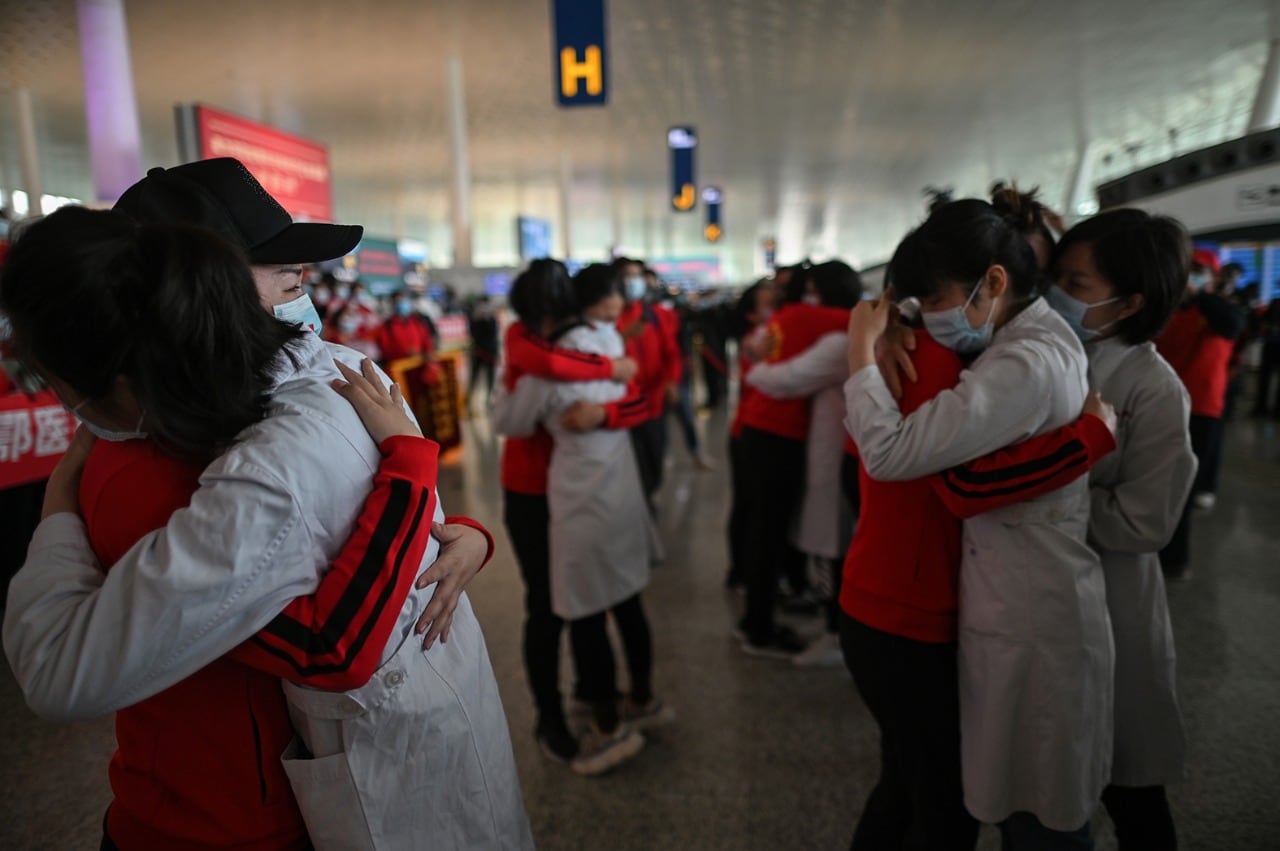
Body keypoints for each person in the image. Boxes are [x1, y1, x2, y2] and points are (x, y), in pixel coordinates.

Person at [4, 174, 531, 848]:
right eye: (274, 262)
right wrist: (408, 468)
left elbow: (364, 522)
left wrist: (461, 536)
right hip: (215, 817)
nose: (302, 277)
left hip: (279, 796)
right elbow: (330, 640)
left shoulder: (283, 395)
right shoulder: (185, 468)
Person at [845, 198, 1114, 847]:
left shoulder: (1018, 360)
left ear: (994, 281)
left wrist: (863, 346)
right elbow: (956, 479)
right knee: (950, 793)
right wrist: (1087, 439)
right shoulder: (984, 348)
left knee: (1023, 805)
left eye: (934, 299)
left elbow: (928, 469)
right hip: (950, 605)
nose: (931, 315)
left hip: (1021, 611)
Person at [1044, 208, 1195, 849]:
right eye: (1059, 278)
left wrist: (1048, 500)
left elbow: (1146, 519)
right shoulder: (1048, 353)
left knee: (1129, 788)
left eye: (1077, 287)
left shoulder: (1154, 389)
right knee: (1049, 774)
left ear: (1130, 301)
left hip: (1112, 602)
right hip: (1044, 595)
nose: (1058, 296)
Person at [496, 264, 673, 776]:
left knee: (587, 602)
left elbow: (637, 399)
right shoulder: (531, 344)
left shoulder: (591, 343)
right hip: (531, 490)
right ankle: (551, 718)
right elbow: (533, 385)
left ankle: (596, 701)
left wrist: (606, 408)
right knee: (552, 608)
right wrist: (607, 372)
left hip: (571, 491)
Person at [745, 261, 862, 667]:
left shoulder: (839, 334)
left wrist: (756, 370)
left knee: (830, 541)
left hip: (829, 450)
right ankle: (826, 624)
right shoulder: (852, 327)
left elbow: (787, 375)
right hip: (825, 447)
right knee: (823, 539)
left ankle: (835, 631)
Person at [1156, 247, 1244, 572]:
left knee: (1181, 486)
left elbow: (1233, 325)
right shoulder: (1169, 308)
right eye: (1188, 269)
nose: (1192, 274)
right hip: (1163, 401)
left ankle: (1174, 559)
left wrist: (1197, 294)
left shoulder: (1219, 310)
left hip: (1202, 408)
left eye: (1199, 269)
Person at [614, 257, 682, 511]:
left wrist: (672, 382)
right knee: (633, 464)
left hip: (655, 403)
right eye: (627, 276)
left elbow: (671, 354)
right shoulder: (610, 318)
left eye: (637, 275)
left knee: (655, 459)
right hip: (624, 406)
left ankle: (647, 499)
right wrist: (622, 336)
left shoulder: (657, 316)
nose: (634, 282)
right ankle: (641, 510)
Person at [724, 280, 774, 591]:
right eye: (769, 304)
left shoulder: (764, 336)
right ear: (751, 316)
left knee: (746, 505)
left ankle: (741, 570)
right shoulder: (755, 342)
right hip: (746, 432)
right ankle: (740, 571)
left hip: (747, 430)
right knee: (747, 507)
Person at [378, 292, 435, 363]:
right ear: (392, 304)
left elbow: (426, 339)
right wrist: (404, 354)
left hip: (420, 364)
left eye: (402, 301)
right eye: (397, 301)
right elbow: (385, 349)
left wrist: (427, 352)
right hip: (400, 367)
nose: (401, 304)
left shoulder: (416, 322)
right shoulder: (387, 326)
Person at [468, 295, 501, 409]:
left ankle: (489, 400)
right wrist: (476, 319)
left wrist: (487, 319)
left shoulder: (492, 318)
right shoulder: (474, 317)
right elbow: (472, 334)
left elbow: (494, 333)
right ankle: (470, 400)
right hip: (478, 352)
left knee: (490, 378)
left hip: (490, 352)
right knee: (474, 377)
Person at [1253, 297, 1280, 416]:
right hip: (1271, 344)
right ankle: (1262, 407)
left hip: (1271, 344)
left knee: (1265, 377)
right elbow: (1264, 321)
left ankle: (1270, 409)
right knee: (1264, 378)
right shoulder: (1275, 302)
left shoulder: (1275, 302)